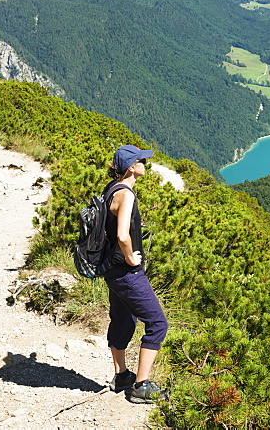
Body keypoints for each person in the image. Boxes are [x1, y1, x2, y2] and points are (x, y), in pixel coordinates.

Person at [102, 144, 168, 404]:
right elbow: (121, 234)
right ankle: (140, 386)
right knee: (157, 324)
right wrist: (131, 257)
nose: (145, 164)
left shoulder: (111, 189)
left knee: (123, 320)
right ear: (131, 166)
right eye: (142, 161)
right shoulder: (126, 194)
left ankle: (121, 377)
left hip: (111, 269)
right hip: (126, 271)